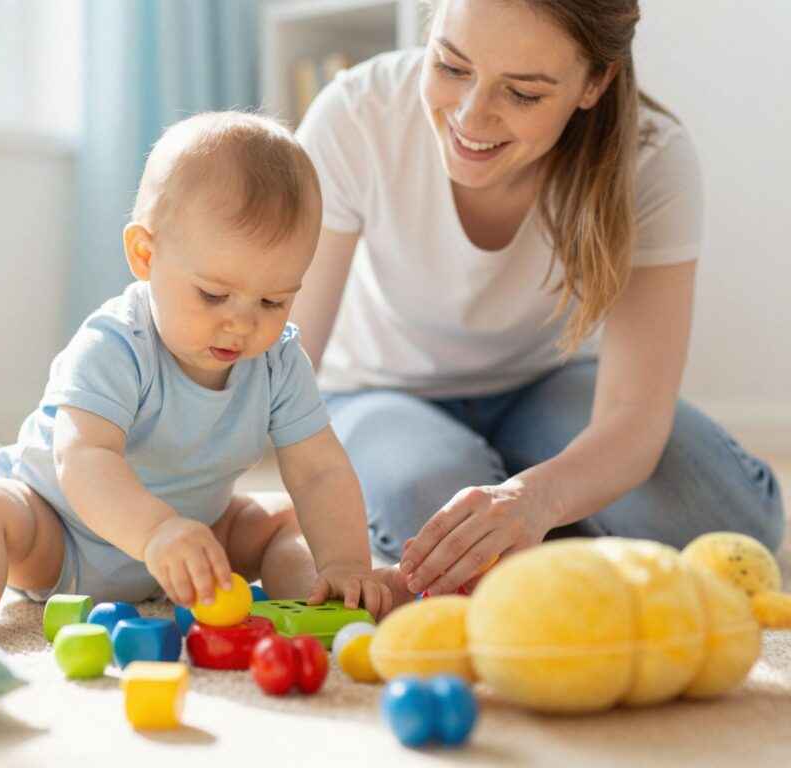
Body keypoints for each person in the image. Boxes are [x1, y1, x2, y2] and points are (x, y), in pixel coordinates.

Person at [290, 0, 785, 599]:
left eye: (523, 93)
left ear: (595, 82)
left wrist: (538, 496)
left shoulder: (651, 159)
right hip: (379, 391)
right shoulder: (357, 115)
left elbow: (634, 410)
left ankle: (532, 494)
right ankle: (537, 510)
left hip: (542, 384)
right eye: (451, 65)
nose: (471, 115)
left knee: (725, 519)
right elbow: (288, 362)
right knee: (440, 517)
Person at [0, 111, 395, 634]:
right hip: (62, 535)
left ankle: (325, 598)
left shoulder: (278, 359)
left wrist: (345, 560)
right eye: (214, 295)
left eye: (273, 301)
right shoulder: (115, 343)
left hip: (197, 542)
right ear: (145, 255)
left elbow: (319, 471)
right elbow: (84, 457)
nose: (242, 324)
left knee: (284, 521)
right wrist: (155, 531)